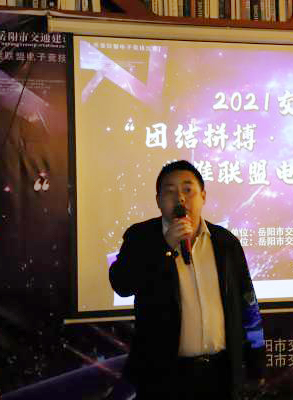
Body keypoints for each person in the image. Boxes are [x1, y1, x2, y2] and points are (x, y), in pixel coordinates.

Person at [109, 160, 266, 400]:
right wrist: (165, 246)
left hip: (220, 374)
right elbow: (121, 284)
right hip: (163, 377)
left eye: (188, 190)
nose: (180, 198)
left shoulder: (225, 242)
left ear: (203, 196)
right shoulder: (140, 237)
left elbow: (248, 304)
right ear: (158, 201)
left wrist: (256, 362)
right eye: (170, 191)